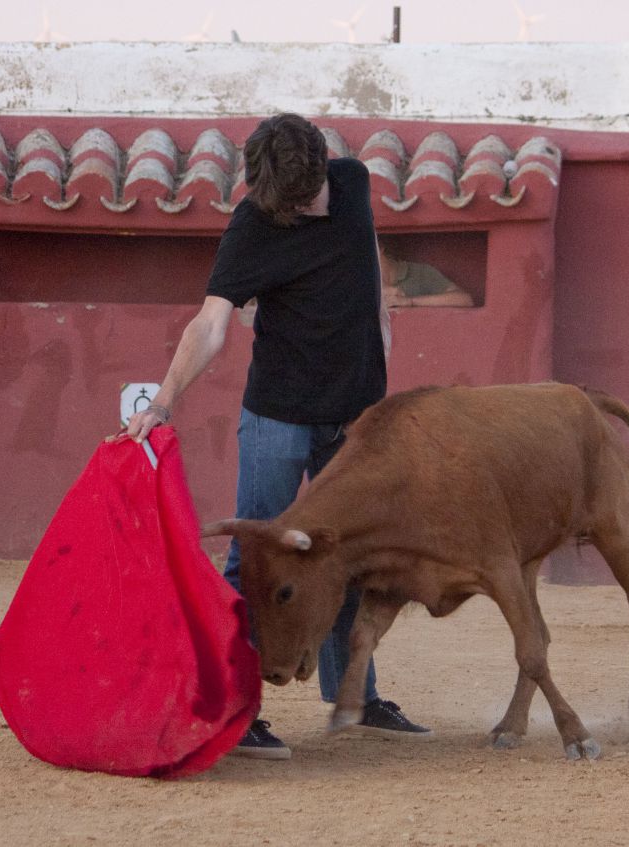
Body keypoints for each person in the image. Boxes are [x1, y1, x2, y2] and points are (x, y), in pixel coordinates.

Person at [127, 113, 430, 760]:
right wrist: (164, 400)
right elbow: (211, 325)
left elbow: (366, 271)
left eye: (309, 196)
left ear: (326, 168)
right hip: (280, 418)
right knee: (255, 557)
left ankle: (354, 696)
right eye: (289, 204)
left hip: (354, 419)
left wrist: (379, 340)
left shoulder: (353, 183)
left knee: (349, 554)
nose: (303, 210)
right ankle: (239, 711)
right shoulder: (253, 224)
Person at [378, 240, 474, 308]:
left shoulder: (419, 272)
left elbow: (465, 300)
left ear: (380, 247)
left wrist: (411, 301)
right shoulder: (367, 281)